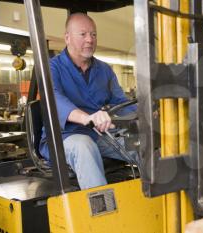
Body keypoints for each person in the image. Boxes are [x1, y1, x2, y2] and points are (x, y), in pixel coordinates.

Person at [39, 13, 137, 190]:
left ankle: (161, 201)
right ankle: (103, 214)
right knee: (84, 146)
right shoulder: (51, 67)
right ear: (67, 38)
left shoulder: (104, 70)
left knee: (144, 144)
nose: (90, 40)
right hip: (64, 137)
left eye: (93, 34)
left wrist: (146, 112)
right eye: (83, 34)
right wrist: (87, 118)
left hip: (99, 135)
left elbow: (120, 103)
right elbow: (54, 99)